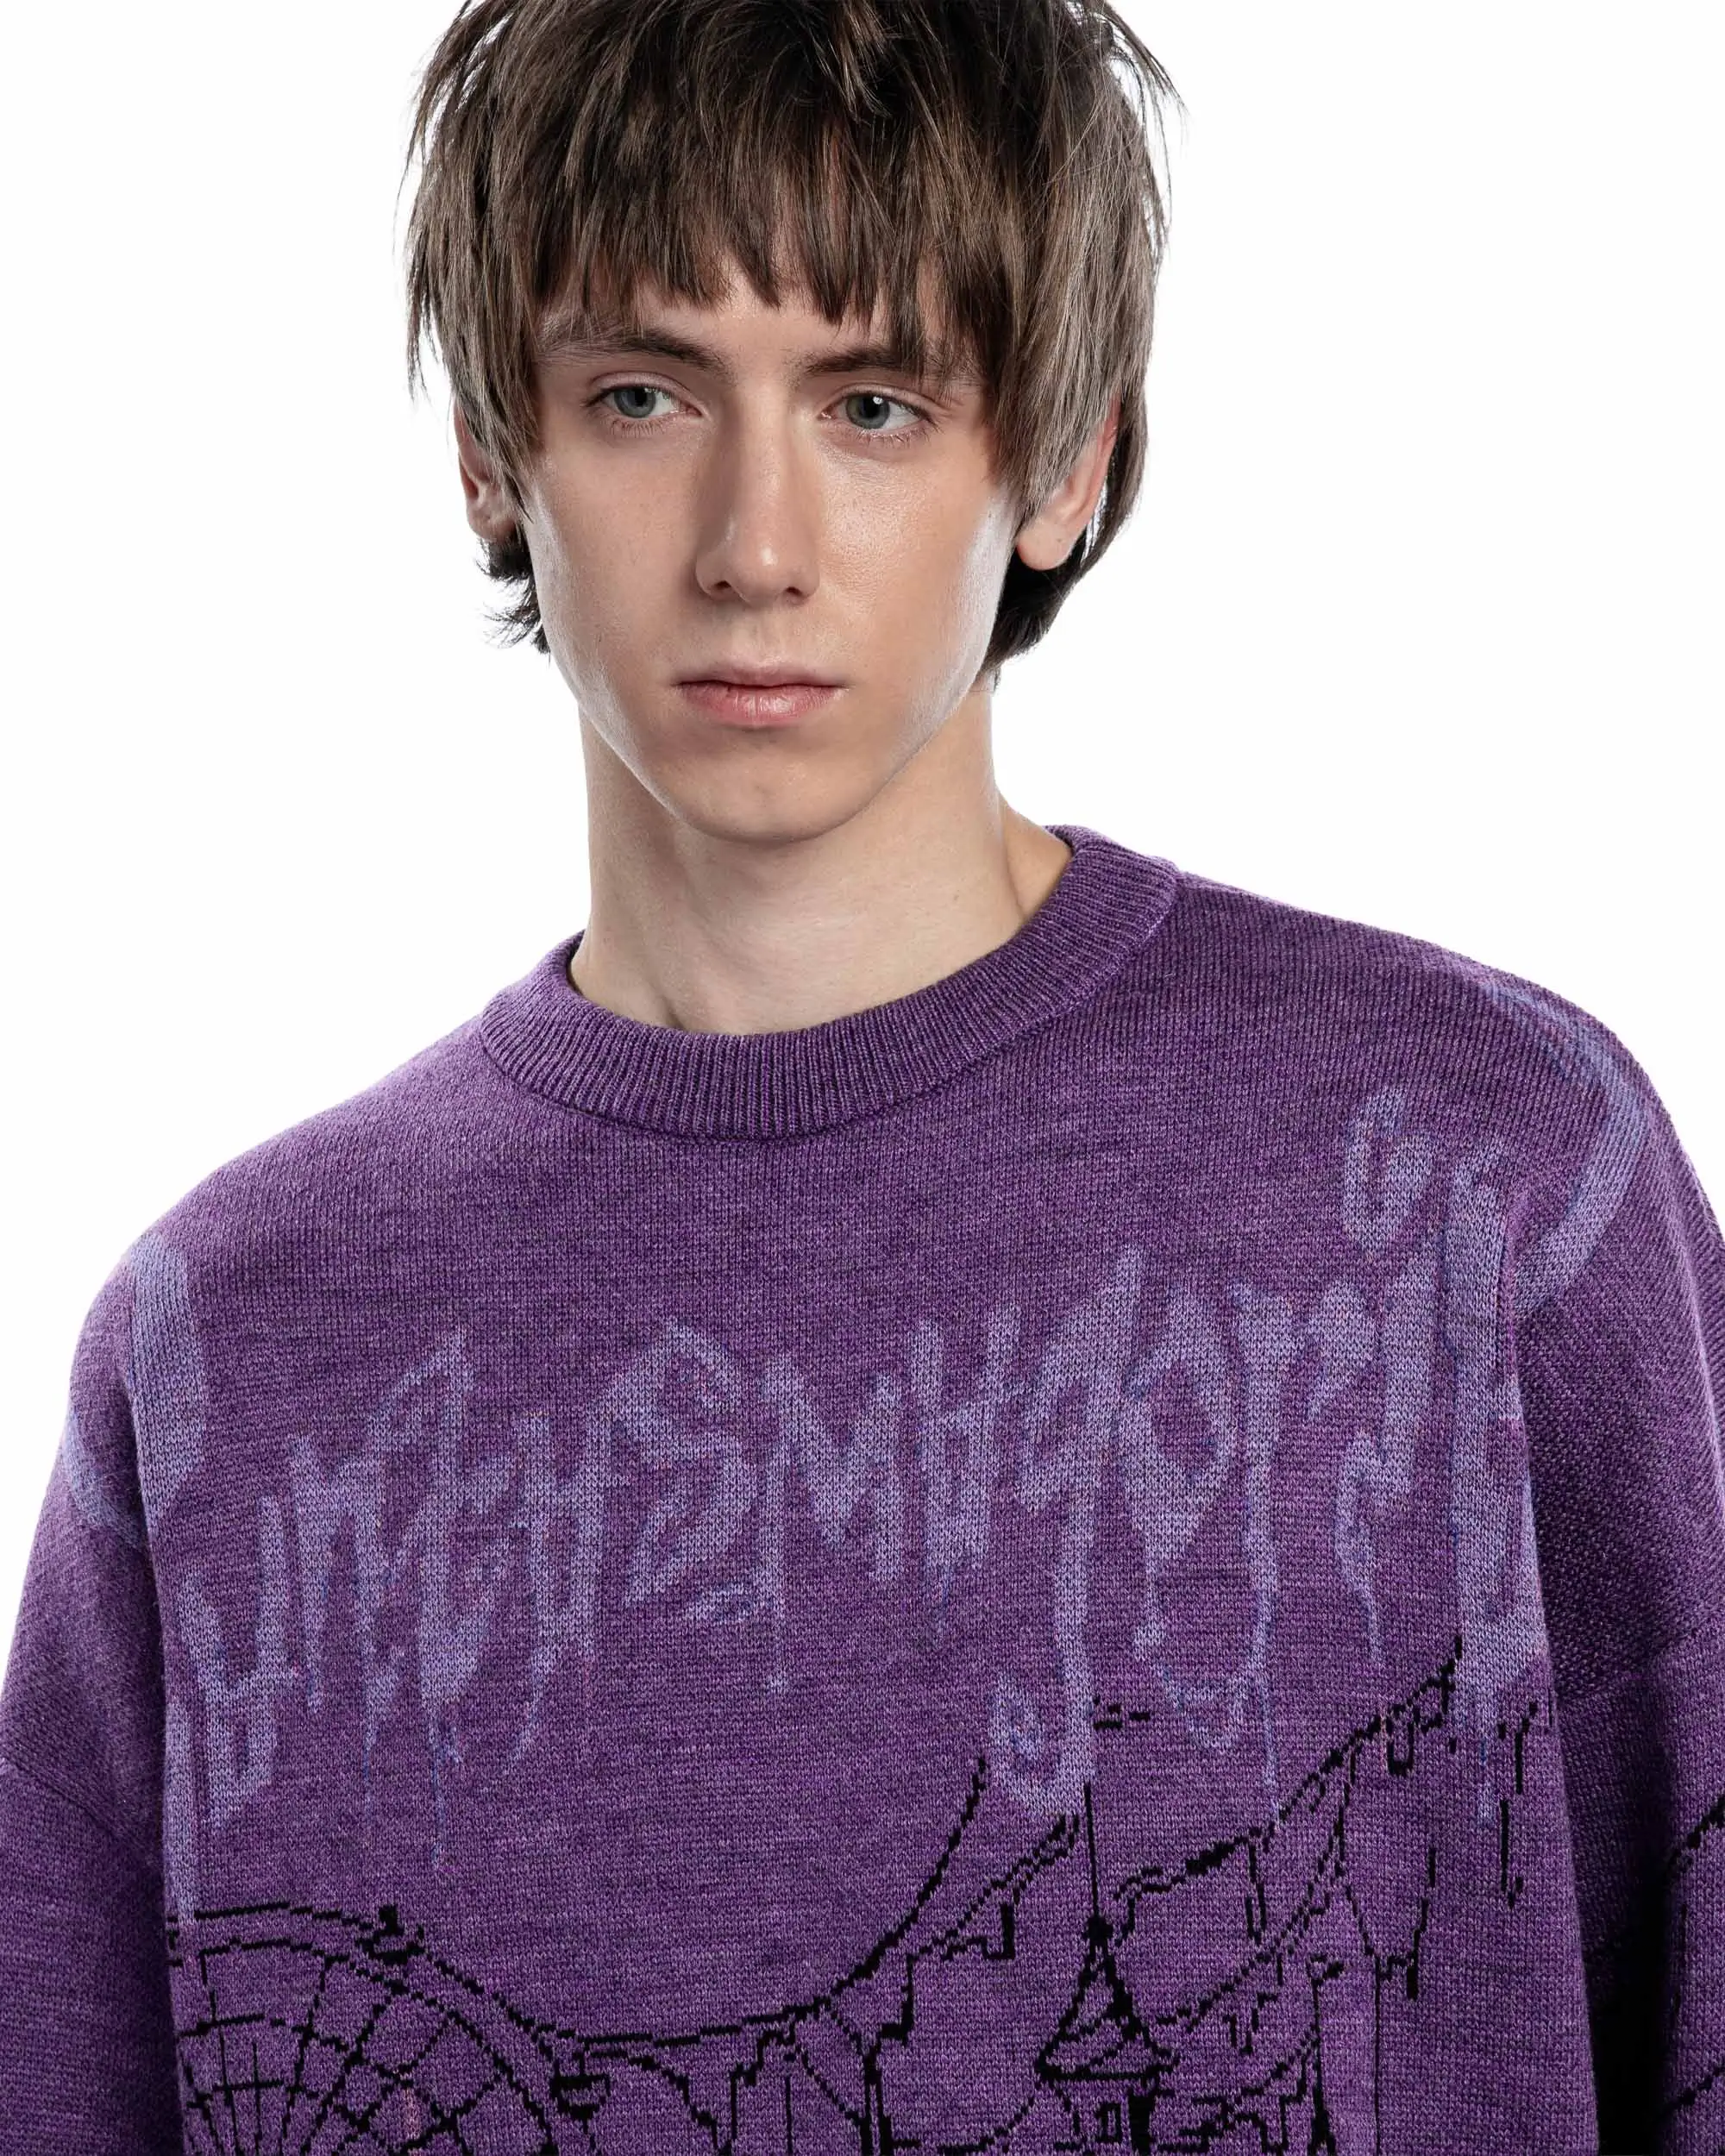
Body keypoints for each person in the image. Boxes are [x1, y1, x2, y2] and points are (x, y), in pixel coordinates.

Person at [1, 0, 1719, 2147]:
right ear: (489, 452)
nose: (755, 542)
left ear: (1066, 460)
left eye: (875, 403)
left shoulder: (1486, 1179)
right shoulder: (230, 1342)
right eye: (641, 394)